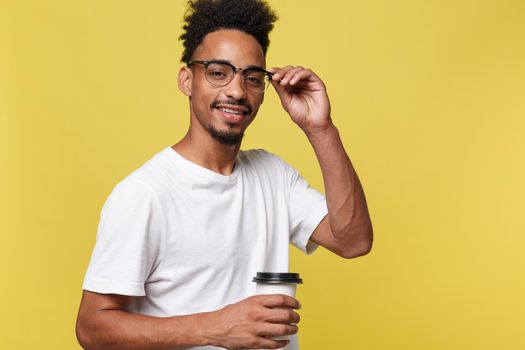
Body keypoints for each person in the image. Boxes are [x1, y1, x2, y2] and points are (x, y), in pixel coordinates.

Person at [76, 0, 373, 349]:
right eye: (218, 72)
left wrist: (321, 129)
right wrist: (216, 326)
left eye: (252, 78)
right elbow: (92, 328)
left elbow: (353, 241)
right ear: (187, 80)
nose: (236, 91)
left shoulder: (273, 175)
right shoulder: (145, 193)